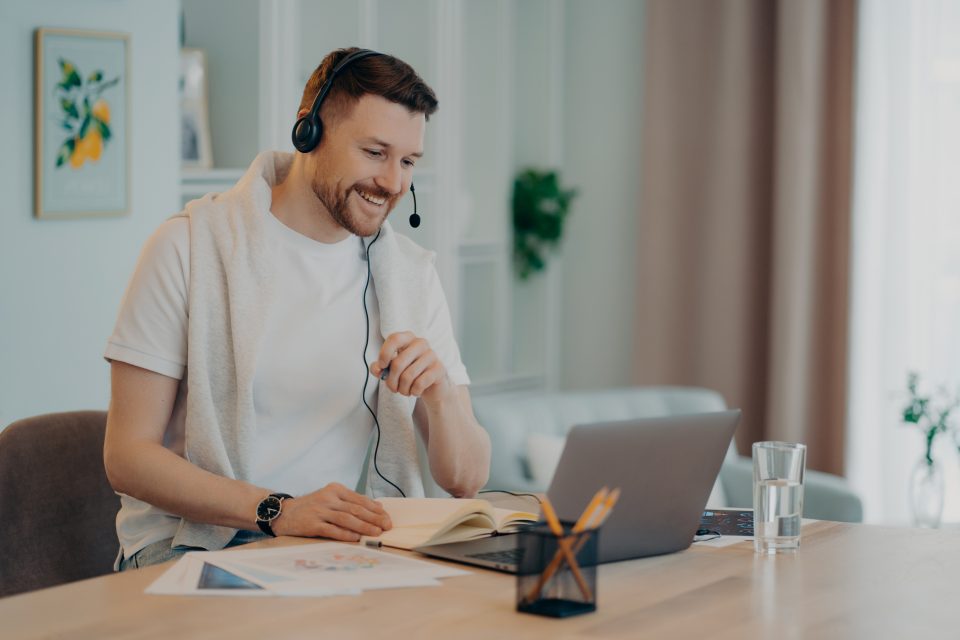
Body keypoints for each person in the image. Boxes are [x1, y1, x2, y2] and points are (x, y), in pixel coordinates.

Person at [103, 47, 491, 570]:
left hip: (327, 551)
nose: (394, 183)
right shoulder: (189, 247)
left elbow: (466, 479)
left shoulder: (409, 275)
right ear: (308, 133)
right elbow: (127, 457)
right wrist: (279, 511)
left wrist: (442, 396)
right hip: (186, 547)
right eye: (375, 153)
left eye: (408, 161)